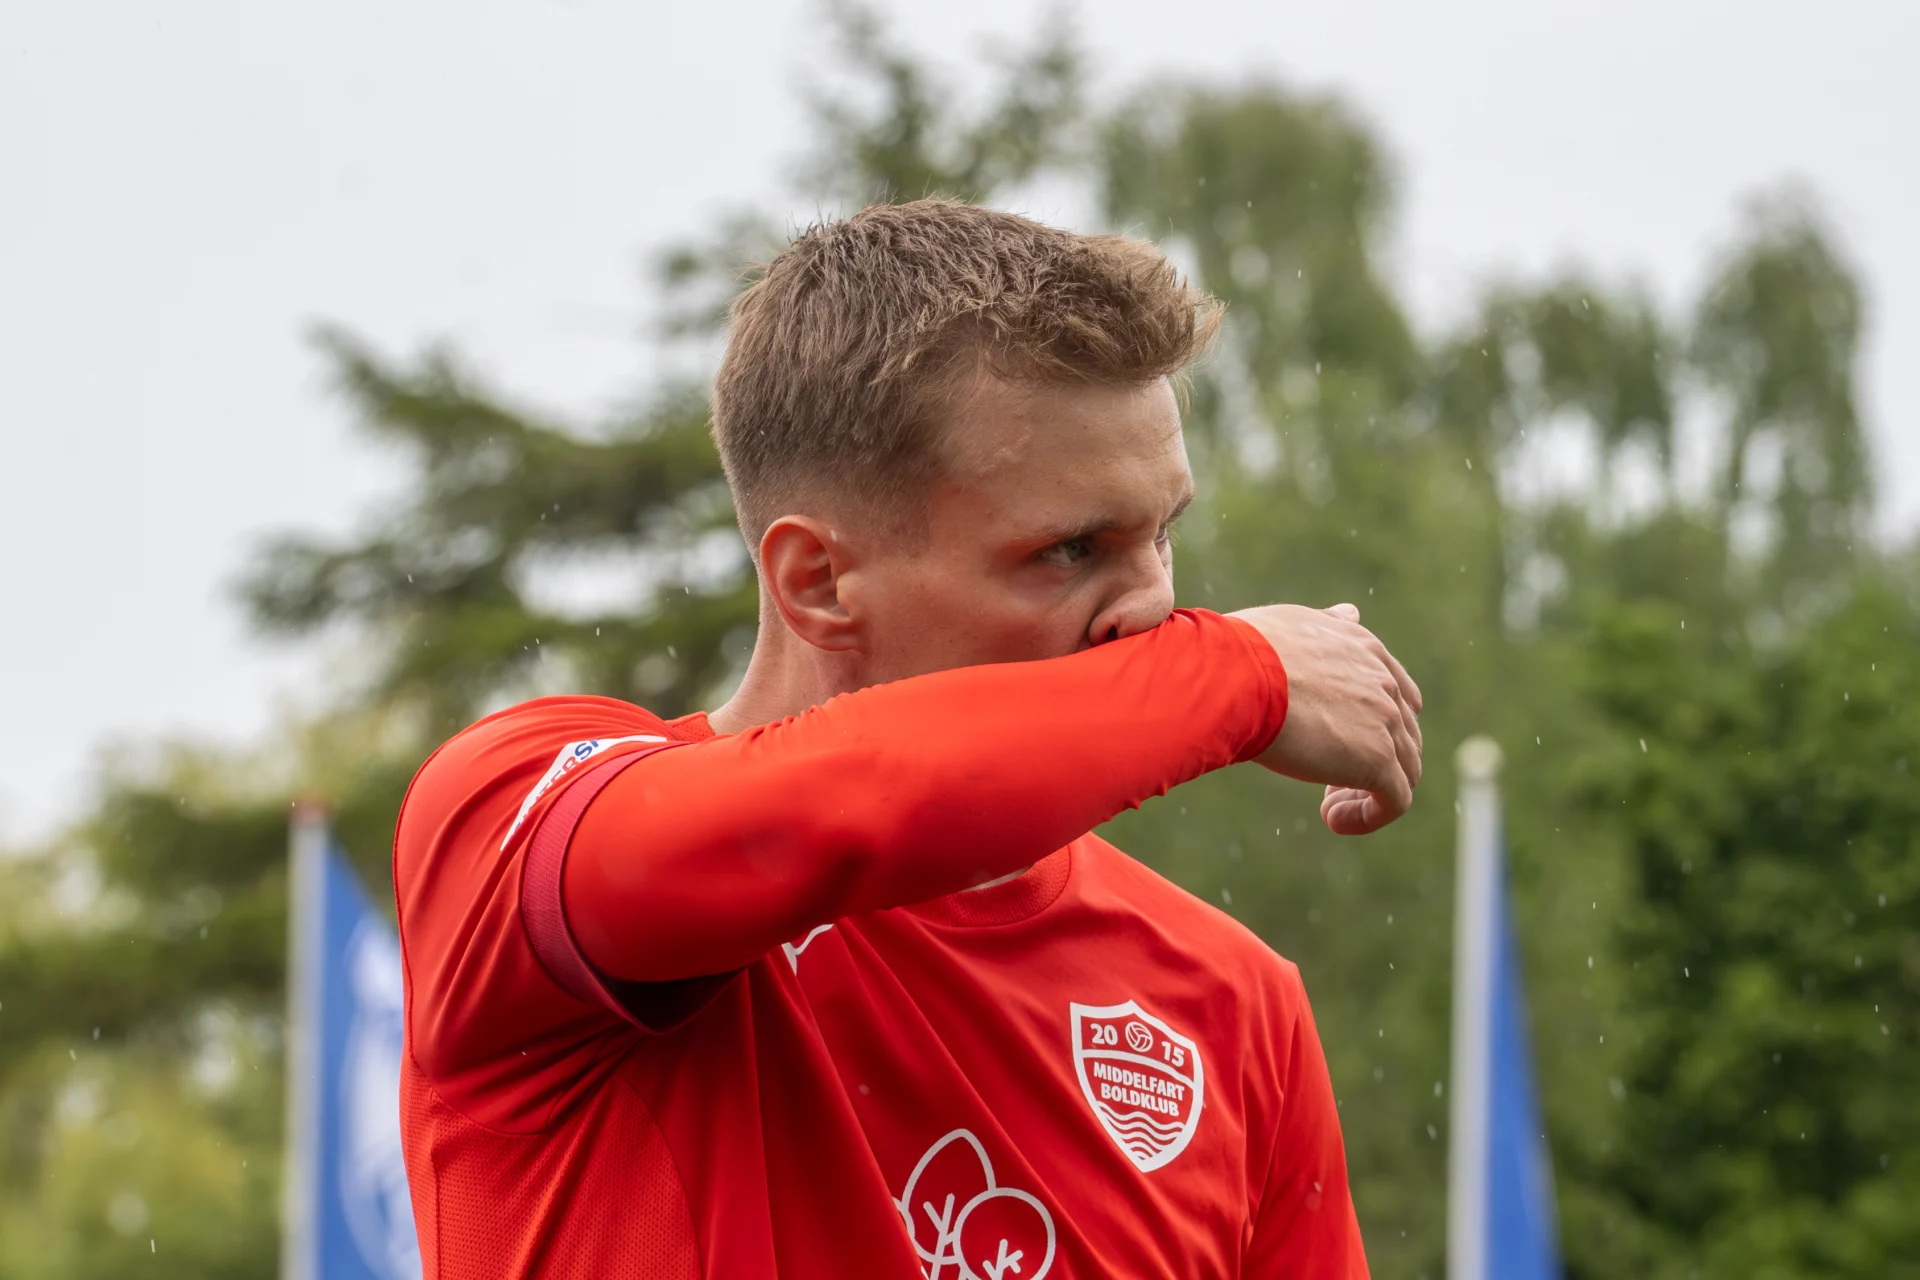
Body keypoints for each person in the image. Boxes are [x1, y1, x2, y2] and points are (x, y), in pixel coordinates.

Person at [392, 199, 1421, 1278]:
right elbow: (845, 805)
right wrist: (1241, 673)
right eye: (1072, 549)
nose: (1153, 611)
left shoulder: (1233, 1001)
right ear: (819, 581)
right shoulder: (508, 814)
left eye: (1163, 531)